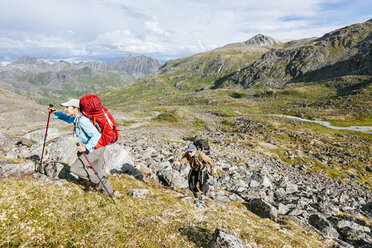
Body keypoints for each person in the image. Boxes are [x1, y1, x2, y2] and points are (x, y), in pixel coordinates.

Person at [48, 99, 121, 198]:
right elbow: (67, 118)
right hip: (100, 147)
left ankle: (99, 181)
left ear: (75, 108)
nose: (65, 109)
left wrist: (85, 147)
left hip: (95, 149)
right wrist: (55, 112)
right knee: (98, 170)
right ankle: (109, 193)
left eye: (67, 107)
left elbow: (96, 135)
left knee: (75, 168)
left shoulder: (82, 120)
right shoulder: (77, 118)